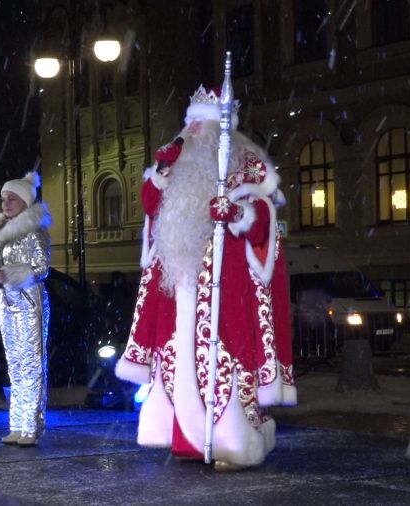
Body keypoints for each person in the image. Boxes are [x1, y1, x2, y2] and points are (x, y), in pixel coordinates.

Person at [115, 86, 296, 471]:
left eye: (201, 122)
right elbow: (152, 208)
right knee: (178, 359)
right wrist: (159, 180)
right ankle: (186, 441)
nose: (192, 128)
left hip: (226, 289)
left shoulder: (246, 166)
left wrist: (237, 213)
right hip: (178, 289)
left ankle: (233, 443)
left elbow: (263, 218)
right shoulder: (173, 165)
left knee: (226, 359)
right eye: (190, 121)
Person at [0, 171, 51, 447]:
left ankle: (32, 426)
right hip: (7, 302)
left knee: (32, 364)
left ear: (24, 201)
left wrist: (12, 274)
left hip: (29, 300)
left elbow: (42, 268)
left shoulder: (35, 230)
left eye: (11, 199)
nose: (5, 204)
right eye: (3, 199)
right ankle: (17, 424)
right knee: (15, 365)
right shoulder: (0, 235)